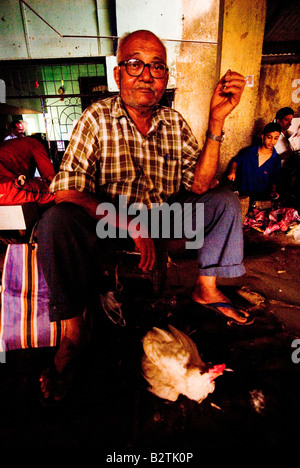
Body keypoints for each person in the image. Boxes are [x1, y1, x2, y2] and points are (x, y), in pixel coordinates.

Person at [37, 29, 249, 405]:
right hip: (110, 224)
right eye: (135, 64)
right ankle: (73, 331)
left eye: (157, 67)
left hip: (163, 220)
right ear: (118, 74)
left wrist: (216, 121)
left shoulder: (174, 122)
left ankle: (207, 289)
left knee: (225, 200)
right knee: (56, 220)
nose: (146, 75)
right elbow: (66, 189)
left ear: (165, 78)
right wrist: (129, 224)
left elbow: (200, 186)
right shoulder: (96, 117)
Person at [227, 122, 282, 201]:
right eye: (269, 137)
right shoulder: (248, 152)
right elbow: (235, 161)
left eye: (276, 138)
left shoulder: (276, 159)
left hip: (260, 198)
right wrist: (232, 171)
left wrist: (273, 191)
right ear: (263, 136)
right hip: (242, 195)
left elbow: (275, 178)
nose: (272, 141)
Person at [0, 135, 55, 205]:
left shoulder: (14, 145)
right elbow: (50, 177)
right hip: (6, 187)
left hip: (5, 185)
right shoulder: (35, 144)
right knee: (51, 193)